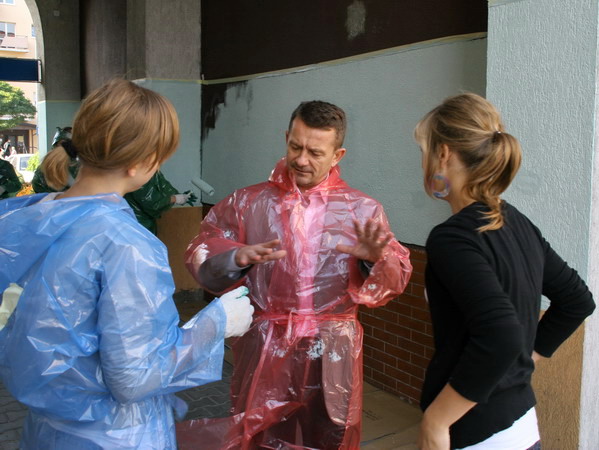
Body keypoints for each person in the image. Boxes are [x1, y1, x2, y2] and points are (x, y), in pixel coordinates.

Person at [0, 78, 255, 449]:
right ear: (145, 162)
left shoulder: (34, 216)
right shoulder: (125, 243)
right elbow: (134, 377)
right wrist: (216, 324)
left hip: (47, 432)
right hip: (114, 436)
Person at [181, 100, 413, 449]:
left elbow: (394, 281)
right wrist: (235, 257)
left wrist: (373, 262)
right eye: (295, 146)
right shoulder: (248, 202)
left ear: (338, 155)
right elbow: (202, 253)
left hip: (333, 349)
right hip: (266, 346)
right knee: (259, 433)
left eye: (315, 152)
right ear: (286, 138)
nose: (302, 159)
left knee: (332, 434)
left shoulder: (362, 211)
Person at [414, 93, 595, 450]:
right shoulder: (518, 223)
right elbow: (576, 300)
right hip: (522, 426)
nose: (422, 160)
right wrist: (526, 359)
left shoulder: (451, 238)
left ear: (444, 154)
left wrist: (437, 419)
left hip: (477, 433)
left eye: (425, 149)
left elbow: (502, 334)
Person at [33, 126, 197, 234]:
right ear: (133, 165)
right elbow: (152, 201)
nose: (157, 167)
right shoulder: (123, 241)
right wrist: (177, 198)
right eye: (156, 160)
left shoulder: (28, 217)